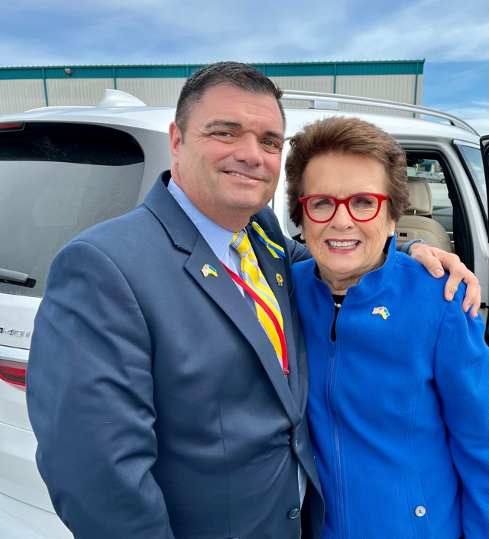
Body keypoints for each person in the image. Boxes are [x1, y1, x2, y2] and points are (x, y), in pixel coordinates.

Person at [26, 62, 481, 539]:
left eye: (268, 141)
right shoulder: (105, 265)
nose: (251, 154)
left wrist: (408, 253)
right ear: (176, 140)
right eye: (225, 132)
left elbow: (339, 252)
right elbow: (100, 483)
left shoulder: (262, 237)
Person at [287, 116, 488, 539]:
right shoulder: (284, 294)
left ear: (392, 215)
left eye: (364, 202)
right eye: (321, 203)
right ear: (300, 217)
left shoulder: (443, 303)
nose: (341, 221)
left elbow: (480, 448)